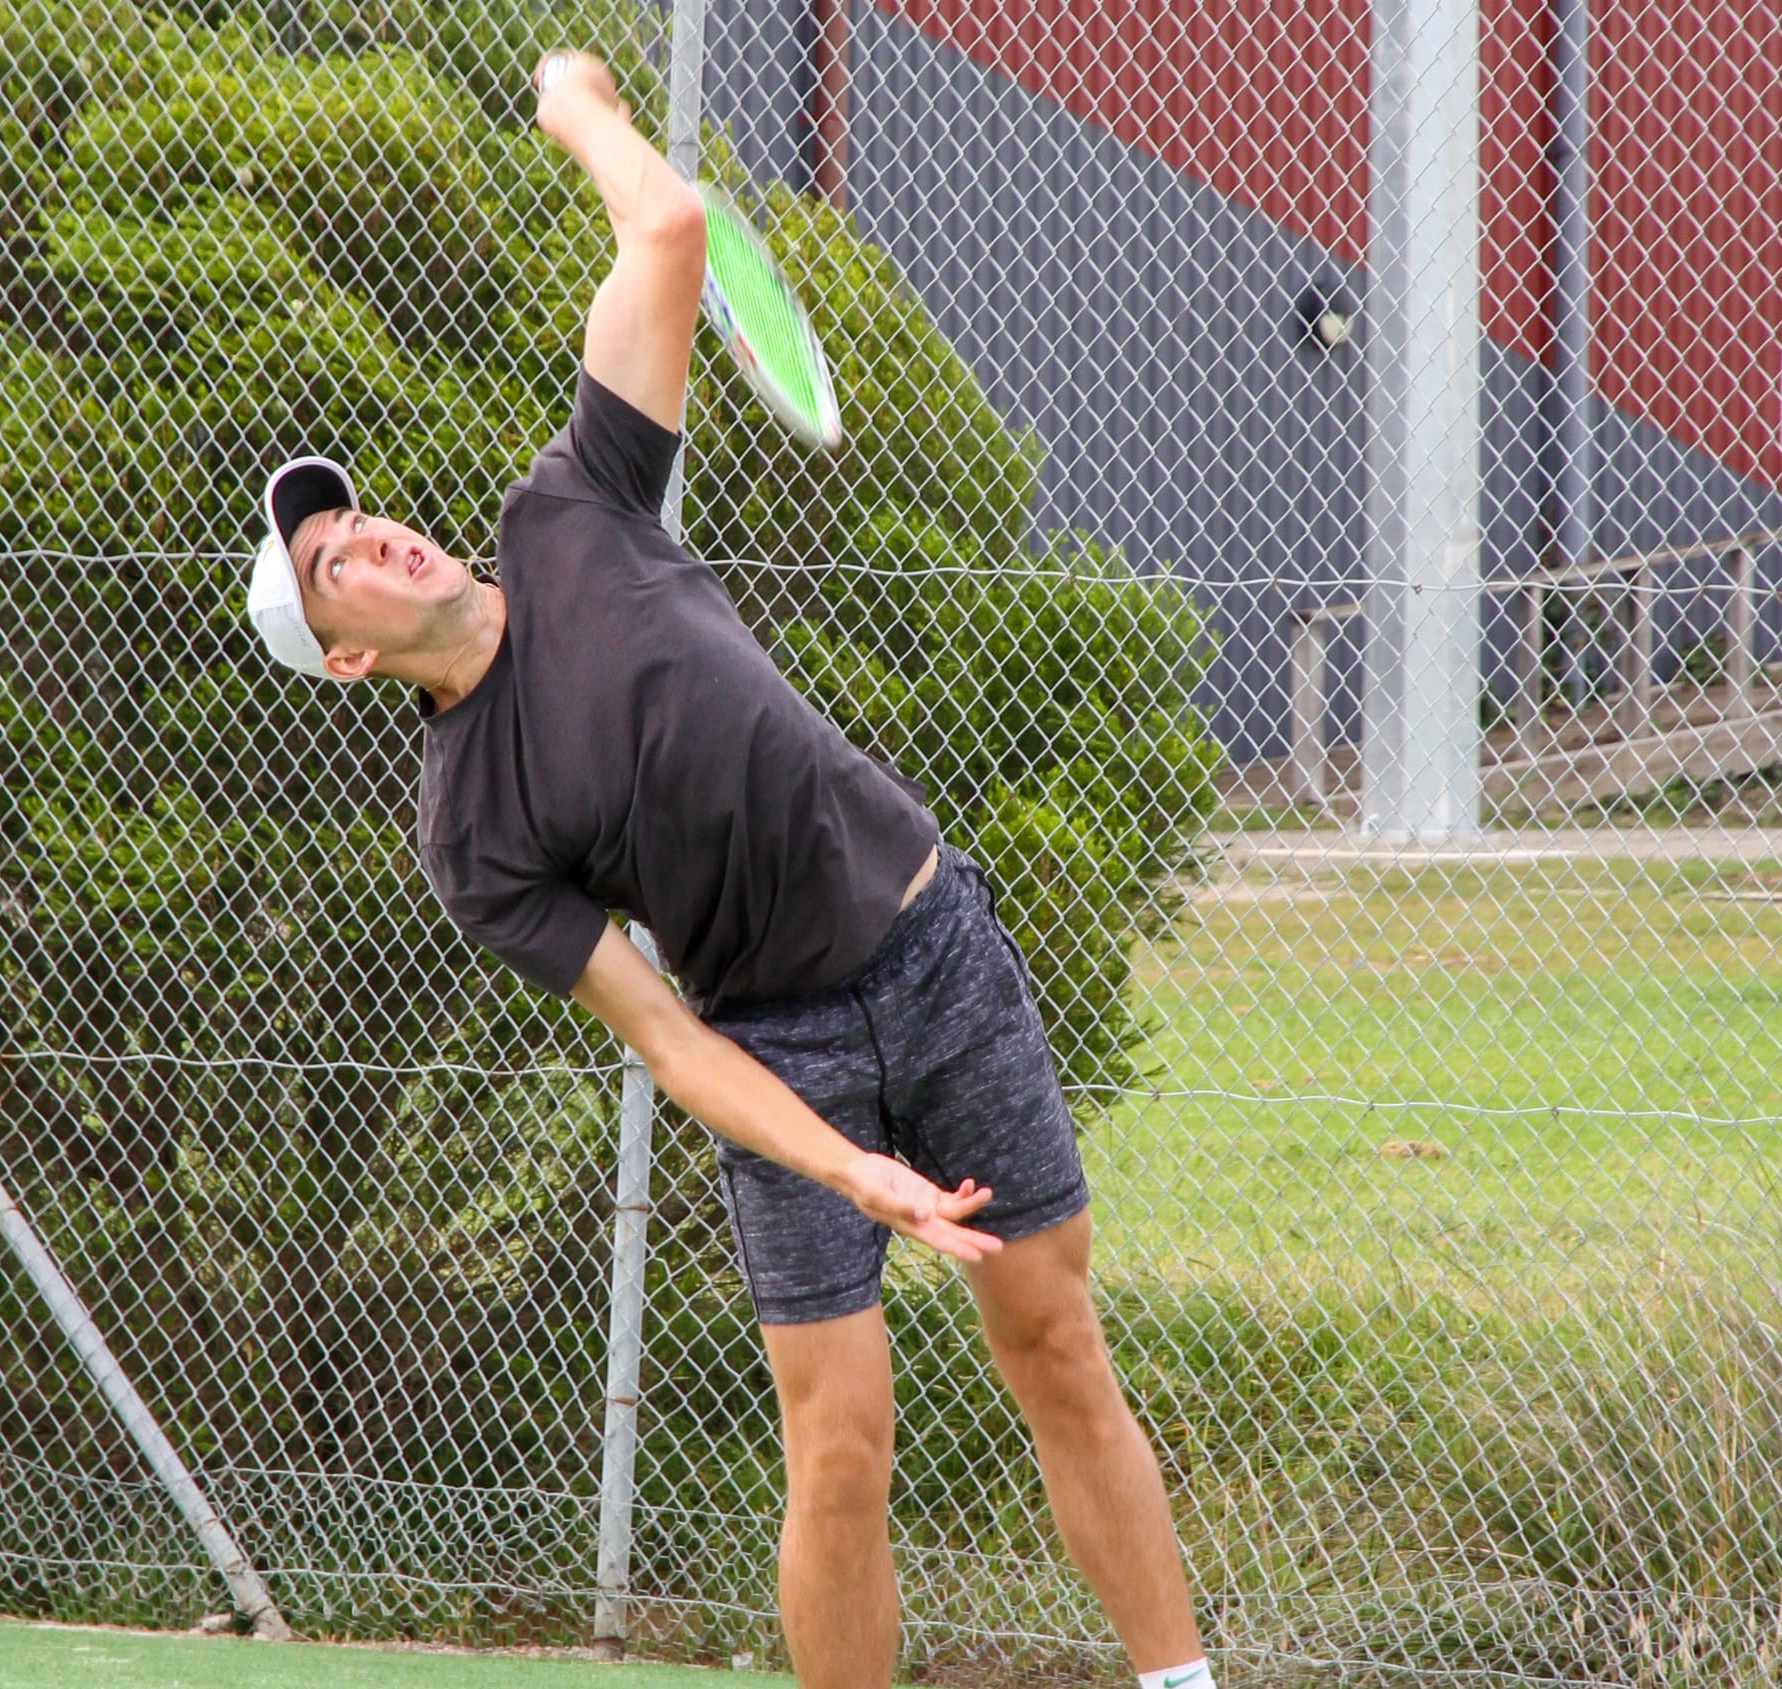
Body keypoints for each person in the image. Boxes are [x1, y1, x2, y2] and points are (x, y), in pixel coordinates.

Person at [245, 46, 1210, 1689]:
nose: (377, 543)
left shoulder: (572, 504)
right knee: (840, 1443)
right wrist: (847, 1165)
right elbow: (671, 1040)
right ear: (346, 657)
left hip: (936, 946)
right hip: (774, 1044)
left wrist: (579, 115)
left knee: (1055, 1346)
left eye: (366, 521)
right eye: (336, 567)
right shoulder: (470, 834)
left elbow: (673, 233)